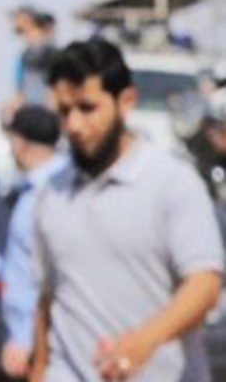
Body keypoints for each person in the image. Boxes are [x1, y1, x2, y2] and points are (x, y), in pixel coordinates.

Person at [32, 39, 224, 382]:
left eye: (87, 108)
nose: (74, 125)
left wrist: (144, 341)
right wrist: (38, 370)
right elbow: (49, 297)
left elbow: (205, 284)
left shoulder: (171, 182)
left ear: (126, 101)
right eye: (64, 111)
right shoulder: (51, 193)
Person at [0, 104, 66, 381]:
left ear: (19, 143)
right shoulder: (59, 185)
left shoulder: (42, 195)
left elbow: (36, 274)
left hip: (36, 344)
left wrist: (23, 338)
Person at [11, 4, 58, 110]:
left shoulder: (47, 48)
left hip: (43, 108)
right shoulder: (26, 52)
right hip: (29, 106)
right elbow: (21, 85)